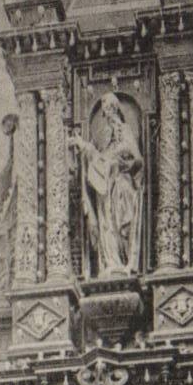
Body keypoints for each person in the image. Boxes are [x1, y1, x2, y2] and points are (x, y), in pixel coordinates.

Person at [71, 93, 144, 277]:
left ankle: (126, 262)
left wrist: (128, 166)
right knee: (107, 224)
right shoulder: (106, 140)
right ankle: (111, 263)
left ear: (116, 110)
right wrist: (83, 145)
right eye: (105, 112)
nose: (109, 116)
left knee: (122, 224)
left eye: (111, 110)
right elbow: (99, 159)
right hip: (106, 190)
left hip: (122, 186)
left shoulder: (125, 131)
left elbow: (138, 159)